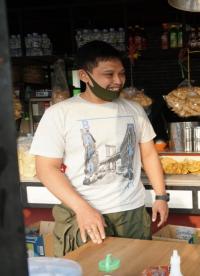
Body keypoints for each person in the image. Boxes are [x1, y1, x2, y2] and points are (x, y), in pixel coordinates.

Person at [30, 41, 169, 257]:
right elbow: (46, 168)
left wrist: (161, 196)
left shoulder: (134, 109)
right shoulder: (60, 113)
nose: (117, 81)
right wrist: (82, 209)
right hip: (82, 215)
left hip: (131, 213)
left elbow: (148, 154)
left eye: (121, 74)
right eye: (108, 74)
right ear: (84, 76)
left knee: (133, 269)